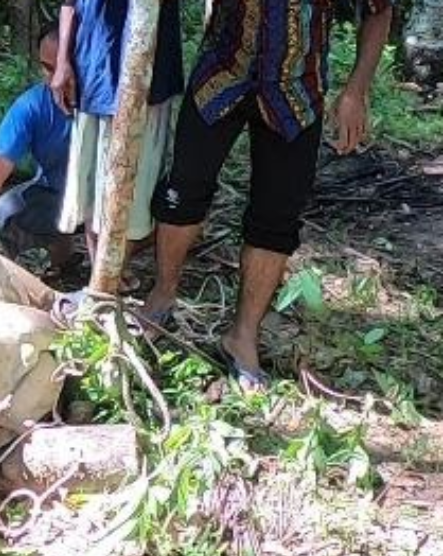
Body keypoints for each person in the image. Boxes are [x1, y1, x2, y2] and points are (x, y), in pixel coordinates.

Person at [142, 0, 393, 390]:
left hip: (296, 91)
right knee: (183, 192)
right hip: (220, 75)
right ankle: (162, 296)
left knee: (275, 220)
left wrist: (355, 92)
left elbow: (379, 10)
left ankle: (242, 337)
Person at [51, 0, 184, 291]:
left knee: (137, 186)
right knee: (91, 180)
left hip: (151, 70)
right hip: (95, 60)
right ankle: (100, 278)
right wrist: (62, 61)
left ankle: (111, 275)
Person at [0, 29, 76, 274]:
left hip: (106, 203)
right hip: (55, 198)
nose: (54, 79)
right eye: (46, 68)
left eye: (60, 68)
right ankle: (52, 261)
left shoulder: (108, 103)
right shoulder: (32, 105)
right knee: (7, 210)